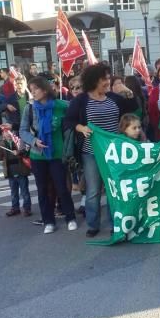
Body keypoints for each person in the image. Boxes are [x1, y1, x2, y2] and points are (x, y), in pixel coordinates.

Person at [64, 62, 137, 237]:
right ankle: (93, 224)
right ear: (94, 80)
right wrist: (81, 128)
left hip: (114, 152)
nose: (108, 82)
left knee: (114, 188)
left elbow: (133, 111)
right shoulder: (81, 100)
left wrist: (130, 94)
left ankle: (115, 223)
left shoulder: (114, 98)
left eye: (108, 78)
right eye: (104, 79)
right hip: (91, 152)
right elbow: (68, 121)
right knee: (93, 190)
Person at [20, 76, 76, 234]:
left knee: (62, 188)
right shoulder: (29, 108)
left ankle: (70, 217)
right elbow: (22, 131)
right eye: (31, 90)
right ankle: (48, 221)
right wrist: (33, 141)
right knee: (43, 189)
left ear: (45, 89)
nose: (33, 93)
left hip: (58, 154)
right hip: (38, 156)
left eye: (35, 89)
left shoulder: (61, 105)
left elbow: (78, 109)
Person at [0, 125, 32, 217]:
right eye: (5, 132)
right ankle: (15, 208)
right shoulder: (2, 144)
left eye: (9, 132)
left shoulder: (19, 142)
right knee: (13, 192)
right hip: (10, 171)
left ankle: (27, 208)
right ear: (3, 135)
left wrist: (18, 152)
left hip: (21, 170)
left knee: (24, 191)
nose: (8, 134)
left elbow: (26, 152)